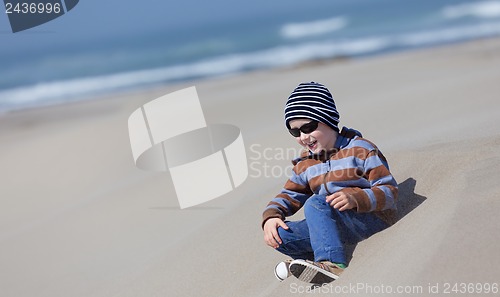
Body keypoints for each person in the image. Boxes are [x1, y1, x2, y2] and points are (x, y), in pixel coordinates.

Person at [261, 81, 398, 285]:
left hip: (370, 218)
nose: (303, 136)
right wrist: (271, 217)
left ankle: (331, 263)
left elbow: (390, 191)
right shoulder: (305, 163)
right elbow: (288, 195)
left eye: (308, 127)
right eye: (295, 132)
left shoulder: (360, 149)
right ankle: (313, 258)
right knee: (280, 234)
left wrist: (356, 198)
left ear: (328, 118)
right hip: (333, 226)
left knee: (316, 204)